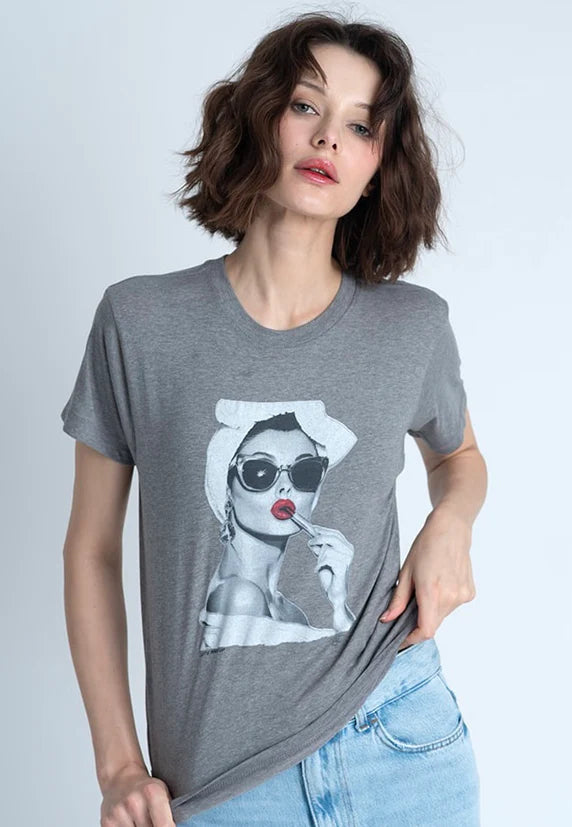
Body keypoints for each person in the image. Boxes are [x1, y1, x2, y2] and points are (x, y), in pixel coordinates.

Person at [60, 11, 487, 827]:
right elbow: (90, 548)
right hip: (223, 785)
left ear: (378, 167)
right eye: (305, 106)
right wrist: (118, 766)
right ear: (259, 116)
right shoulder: (140, 322)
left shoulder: (413, 327)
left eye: (360, 126)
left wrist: (452, 522)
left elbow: (459, 457)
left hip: (401, 739)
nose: (328, 138)